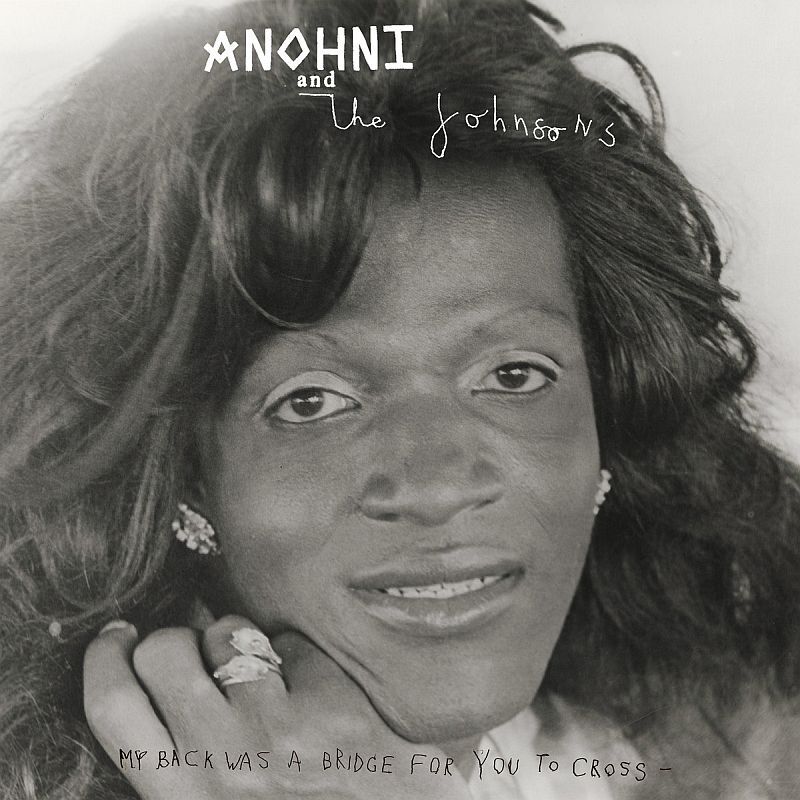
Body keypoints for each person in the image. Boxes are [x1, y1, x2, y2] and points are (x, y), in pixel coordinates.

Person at [0, 1, 798, 798]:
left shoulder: (736, 754)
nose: (440, 486)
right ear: (182, 475)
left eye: (514, 377)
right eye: (311, 402)